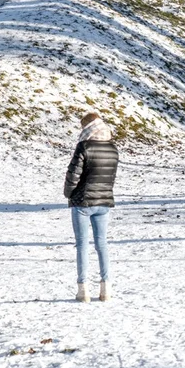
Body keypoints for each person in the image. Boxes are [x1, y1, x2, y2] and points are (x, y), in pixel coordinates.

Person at [63, 112, 118, 303]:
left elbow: (73, 174)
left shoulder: (83, 146)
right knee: (102, 244)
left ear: (87, 127)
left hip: (82, 202)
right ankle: (106, 289)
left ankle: (83, 289)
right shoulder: (113, 148)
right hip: (104, 202)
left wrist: (69, 193)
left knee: (82, 245)